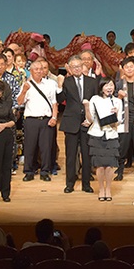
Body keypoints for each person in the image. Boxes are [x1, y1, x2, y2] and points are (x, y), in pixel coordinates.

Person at [57, 56, 99, 194]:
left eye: (79, 66)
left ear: (82, 66)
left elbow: (96, 101)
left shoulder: (92, 82)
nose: (77, 69)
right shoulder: (67, 82)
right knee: (71, 155)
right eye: (73, 67)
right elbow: (60, 99)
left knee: (87, 155)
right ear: (69, 68)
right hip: (71, 122)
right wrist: (59, 86)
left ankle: (86, 184)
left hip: (88, 123)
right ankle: (70, 183)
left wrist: (92, 119)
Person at [18, 58, 60, 182]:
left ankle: (45, 171)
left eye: (40, 69)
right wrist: (24, 90)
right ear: (30, 71)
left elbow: (54, 103)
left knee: (46, 147)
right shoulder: (26, 85)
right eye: (35, 69)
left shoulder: (50, 84)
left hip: (46, 120)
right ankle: (29, 171)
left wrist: (54, 117)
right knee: (30, 147)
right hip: (31, 120)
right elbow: (19, 102)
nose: (38, 71)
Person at [88, 80, 122, 201]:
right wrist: (86, 107)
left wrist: (116, 114)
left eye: (111, 85)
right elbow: (90, 118)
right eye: (106, 85)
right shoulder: (94, 99)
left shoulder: (117, 101)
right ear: (101, 87)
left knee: (110, 165)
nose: (109, 88)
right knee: (99, 165)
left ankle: (108, 189)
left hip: (111, 134)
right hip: (97, 133)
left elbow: (120, 121)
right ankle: (101, 189)